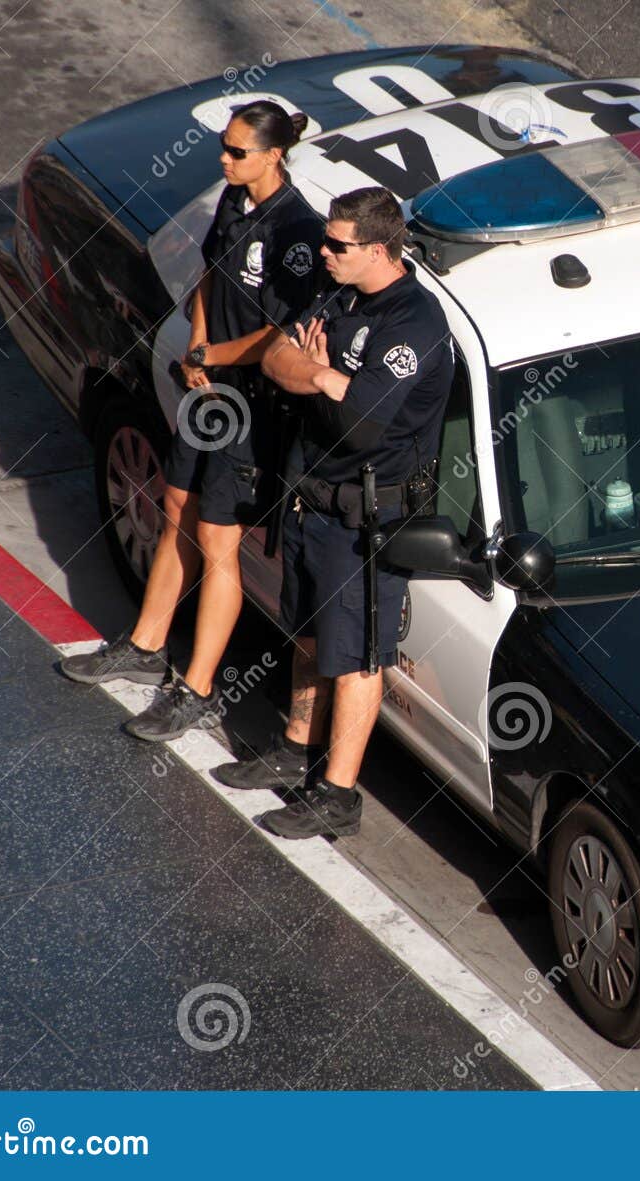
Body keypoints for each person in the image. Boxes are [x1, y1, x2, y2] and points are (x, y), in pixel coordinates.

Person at [60, 101, 323, 743]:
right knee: (176, 507)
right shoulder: (234, 203)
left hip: (253, 409)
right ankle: (147, 643)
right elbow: (209, 276)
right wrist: (197, 348)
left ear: (274, 155)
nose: (223, 160)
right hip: (209, 392)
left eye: (236, 152)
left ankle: (198, 687)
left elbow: (280, 335)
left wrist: (216, 357)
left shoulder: (298, 232)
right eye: (224, 148)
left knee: (218, 539)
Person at [212, 186, 454, 839]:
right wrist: (318, 372)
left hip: (364, 522)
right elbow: (275, 357)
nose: (324, 252)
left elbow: (366, 421)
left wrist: (319, 374)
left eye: (337, 245)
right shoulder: (339, 290)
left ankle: (338, 791)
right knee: (309, 638)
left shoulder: (415, 325)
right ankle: (296, 745)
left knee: (356, 658)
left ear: (377, 249)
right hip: (311, 501)